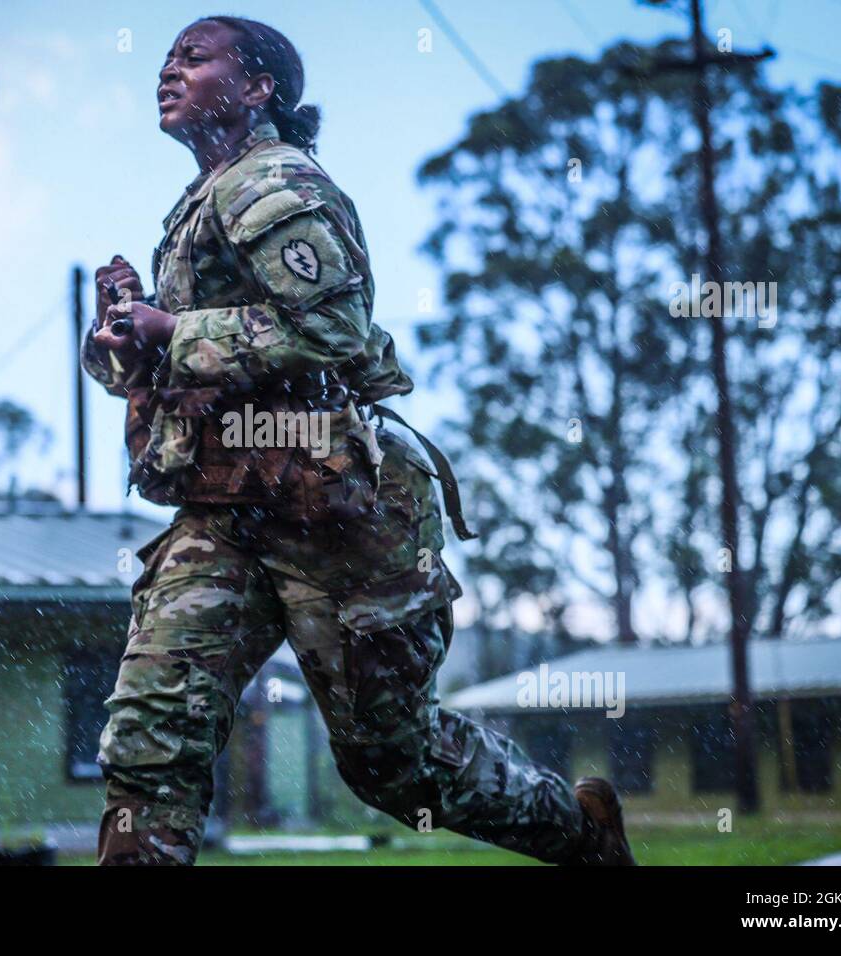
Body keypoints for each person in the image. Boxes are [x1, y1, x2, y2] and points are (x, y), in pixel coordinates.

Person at [81, 15, 636, 866]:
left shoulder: (272, 180)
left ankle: (582, 834)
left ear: (258, 87)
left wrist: (173, 326)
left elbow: (334, 328)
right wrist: (123, 344)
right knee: (152, 738)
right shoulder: (201, 199)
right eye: (166, 58)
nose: (169, 69)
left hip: (331, 518)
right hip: (222, 516)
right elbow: (200, 363)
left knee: (396, 767)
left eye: (195, 57)